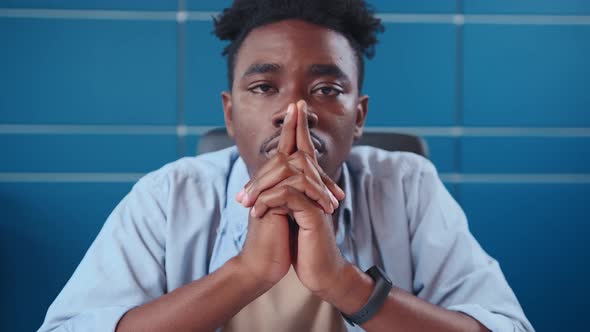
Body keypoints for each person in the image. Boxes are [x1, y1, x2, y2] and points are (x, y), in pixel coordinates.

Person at [38, 1, 534, 331]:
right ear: (230, 113)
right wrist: (249, 272)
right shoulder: (169, 196)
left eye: (326, 90)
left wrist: (344, 282)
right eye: (263, 87)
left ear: (358, 117)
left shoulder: (405, 185)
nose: (294, 111)